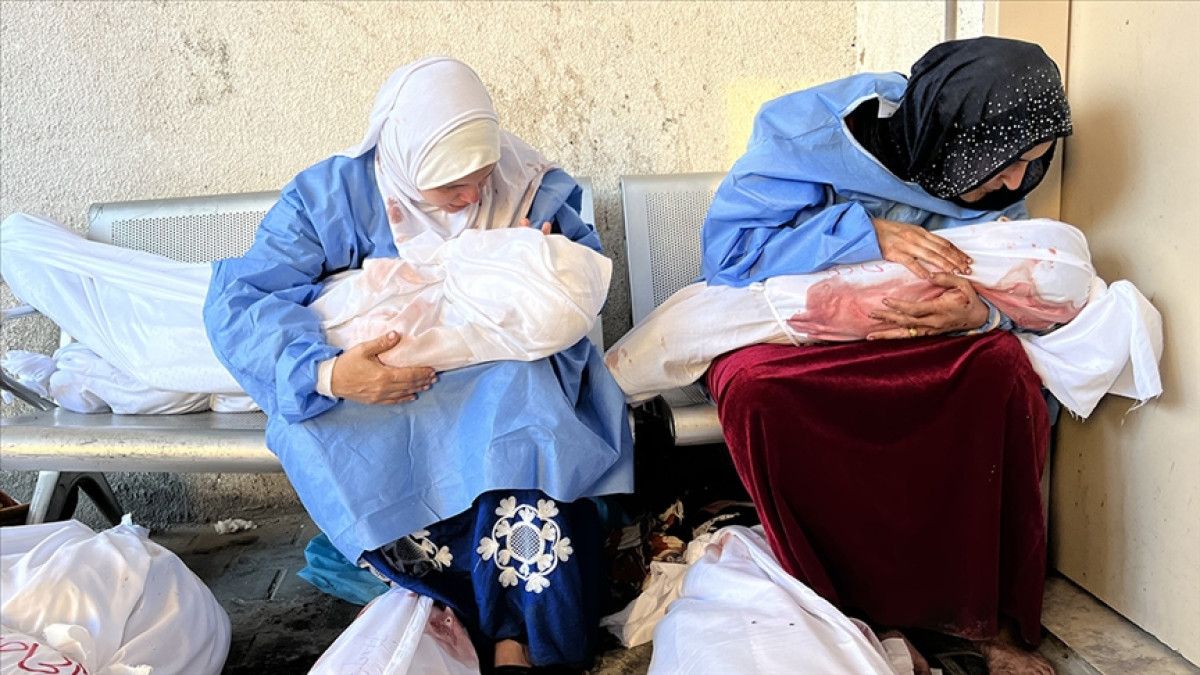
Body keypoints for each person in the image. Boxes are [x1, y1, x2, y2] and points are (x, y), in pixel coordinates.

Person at [203, 57, 633, 673]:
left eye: (481, 177)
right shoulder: (330, 198)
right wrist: (330, 374)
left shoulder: (531, 185)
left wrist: (540, 263)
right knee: (318, 431)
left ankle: (520, 638)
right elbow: (244, 300)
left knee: (524, 415)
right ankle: (447, 608)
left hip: (499, 373)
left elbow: (576, 282)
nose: (473, 197)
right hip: (375, 388)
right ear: (407, 160)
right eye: (451, 185)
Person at [700, 37, 1071, 675]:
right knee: (757, 391)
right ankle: (855, 618)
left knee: (1002, 370)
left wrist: (981, 317)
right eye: (1005, 163)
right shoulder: (809, 131)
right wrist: (863, 233)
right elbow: (730, 256)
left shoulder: (995, 162)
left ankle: (986, 622)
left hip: (928, 339)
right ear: (951, 135)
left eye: (1032, 163)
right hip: (800, 340)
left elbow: (1021, 277)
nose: (1015, 181)